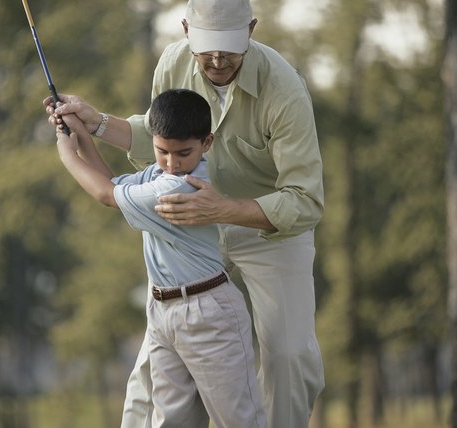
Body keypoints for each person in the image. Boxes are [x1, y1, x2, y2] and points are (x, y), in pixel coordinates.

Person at [45, 0, 325, 426]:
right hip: (195, 236)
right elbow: (163, 140)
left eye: (229, 47)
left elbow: (305, 200)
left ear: (251, 29)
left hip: (270, 229)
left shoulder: (283, 88)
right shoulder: (174, 62)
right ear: (185, 30)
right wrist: (96, 123)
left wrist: (225, 207)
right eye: (207, 46)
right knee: (153, 365)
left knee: (288, 354)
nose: (216, 59)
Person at [56, 88, 266, 428]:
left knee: (241, 422)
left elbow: (105, 194)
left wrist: (67, 154)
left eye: (183, 153)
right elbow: (113, 182)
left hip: (208, 313)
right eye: (162, 151)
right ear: (153, 140)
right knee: (170, 422)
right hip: (164, 310)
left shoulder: (181, 187)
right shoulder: (159, 175)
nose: (171, 162)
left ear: (207, 143)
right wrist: (79, 134)